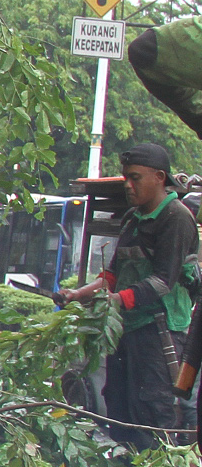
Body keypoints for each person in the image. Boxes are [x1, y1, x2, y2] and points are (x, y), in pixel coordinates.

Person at [59, 141, 197, 449]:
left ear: (160, 177)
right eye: (126, 178)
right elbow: (112, 276)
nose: (128, 185)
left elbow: (163, 281)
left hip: (160, 333)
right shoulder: (133, 218)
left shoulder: (176, 218)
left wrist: (117, 301)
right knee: (118, 405)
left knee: (153, 410)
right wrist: (80, 294)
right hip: (126, 329)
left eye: (135, 177)